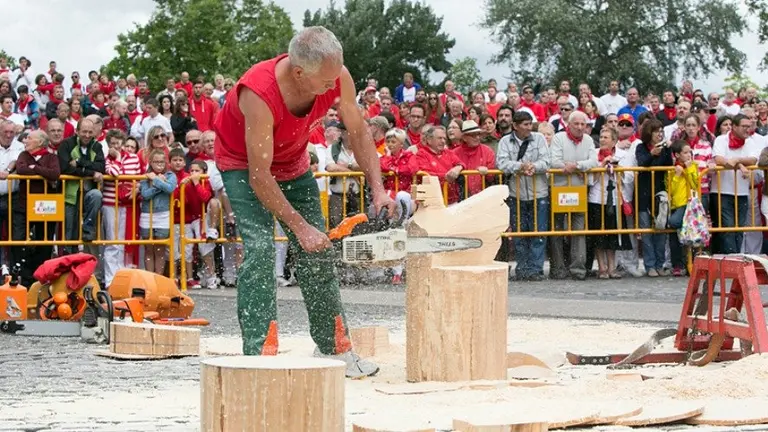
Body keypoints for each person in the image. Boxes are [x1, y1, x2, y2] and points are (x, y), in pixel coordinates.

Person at [213, 26, 394, 378]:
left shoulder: (335, 75)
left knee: (319, 250)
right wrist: (299, 227)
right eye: (325, 82)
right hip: (243, 165)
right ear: (299, 73)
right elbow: (259, 175)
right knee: (261, 249)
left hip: (294, 161)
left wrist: (378, 188)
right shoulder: (259, 92)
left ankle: (334, 347)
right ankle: (259, 354)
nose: (333, 87)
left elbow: (357, 131)